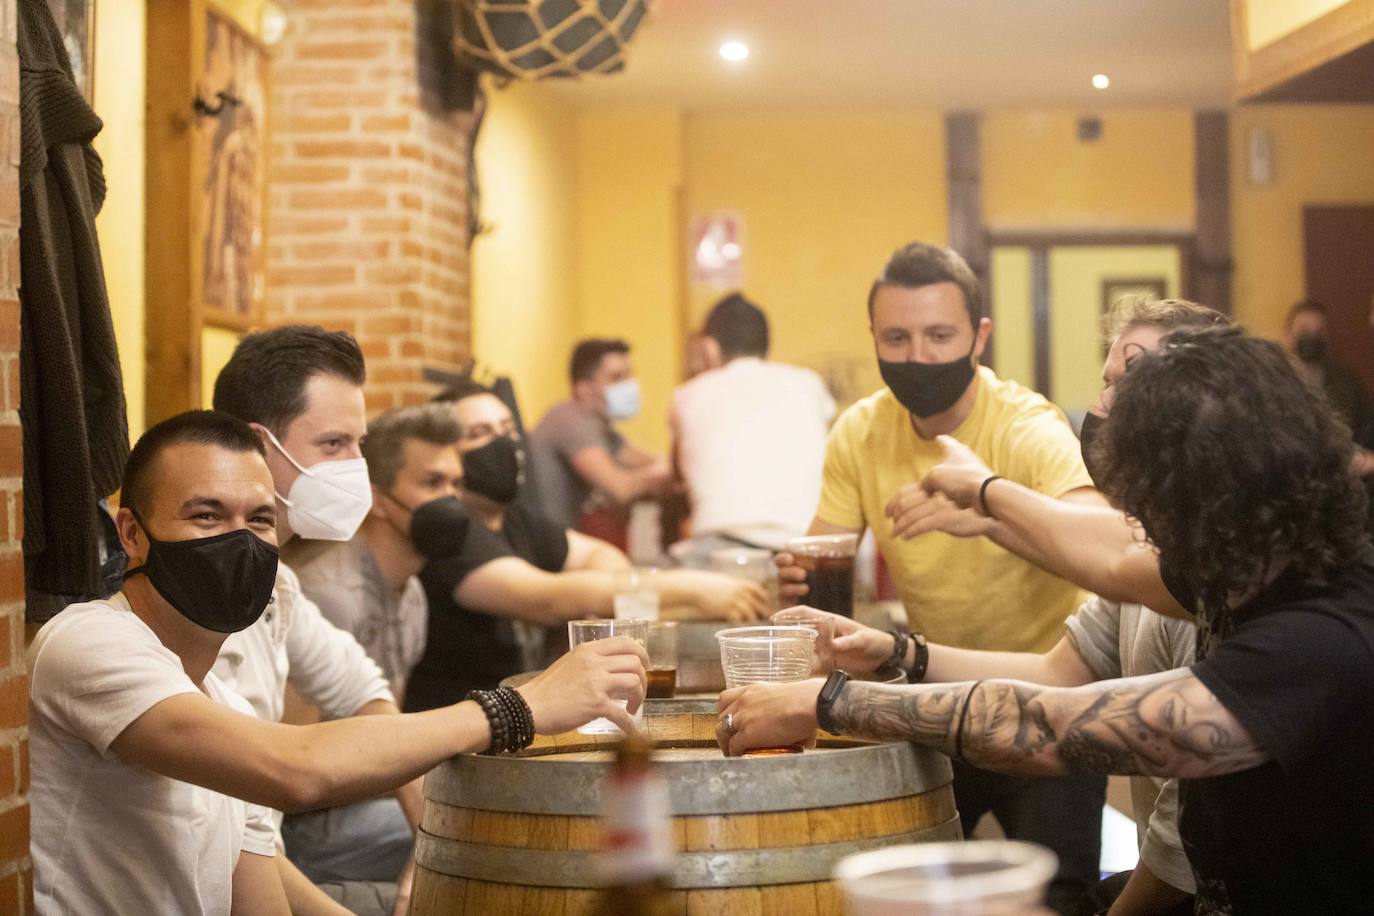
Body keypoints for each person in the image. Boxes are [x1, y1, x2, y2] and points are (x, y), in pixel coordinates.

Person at [724, 326, 1374, 915]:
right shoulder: (1244, 563)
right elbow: (1104, 570)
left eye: (1152, 510)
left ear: (1206, 496)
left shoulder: (1320, 637)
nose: (1142, 534)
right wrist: (899, 650)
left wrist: (830, 701)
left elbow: (1048, 725)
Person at [28, 410, 649, 915]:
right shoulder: (87, 644)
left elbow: (261, 901)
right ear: (133, 533)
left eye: (260, 520)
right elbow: (298, 770)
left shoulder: (224, 701)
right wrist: (517, 708)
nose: (239, 539)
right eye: (207, 515)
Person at [796, 298, 1231, 916]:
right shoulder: (1142, 575)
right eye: (1107, 383)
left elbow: (1180, 845)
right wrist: (897, 652)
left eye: (1130, 384)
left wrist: (988, 495)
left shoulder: (1216, 579)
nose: (1103, 408)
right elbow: (1056, 675)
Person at [775, 241, 1107, 910]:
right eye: (896, 337)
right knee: (915, 896)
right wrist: (798, 588)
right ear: (873, 338)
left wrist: (991, 507)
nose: (918, 356)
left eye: (938, 335)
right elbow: (823, 555)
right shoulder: (859, 431)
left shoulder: (1025, 425)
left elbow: (1099, 537)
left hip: (1045, 700)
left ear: (979, 337)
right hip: (934, 693)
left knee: (1058, 897)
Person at [387, 384, 771, 710]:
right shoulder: (450, 535)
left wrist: (613, 590)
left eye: (507, 429)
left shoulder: (518, 520)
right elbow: (545, 598)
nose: (502, 443)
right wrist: (692, 587)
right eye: (479, 434)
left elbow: (599, 555)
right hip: (460, 744)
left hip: (520, 724)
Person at [669, 293, 836, 556]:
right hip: (804, 549)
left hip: (720, 552)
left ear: (709, 348)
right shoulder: (808, 383)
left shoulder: (688, 394)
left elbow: (677, 479)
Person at [530, 338, 671, 531]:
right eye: (616, 378)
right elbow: (621, 488)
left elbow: (648, 460)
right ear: (584, 389)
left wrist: (670, 465)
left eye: (630, 375)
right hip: (546, 547)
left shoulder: (602, 429)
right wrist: (670, 469)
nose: (629, 385)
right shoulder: (569, 420)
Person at [1283, 299, 1371, 433]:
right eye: (1304, 329)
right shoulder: (1273, 383)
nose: (1313, 335)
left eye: (1319, 330)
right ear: (1288, 335)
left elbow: (1366, 429)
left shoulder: (1348, 383)